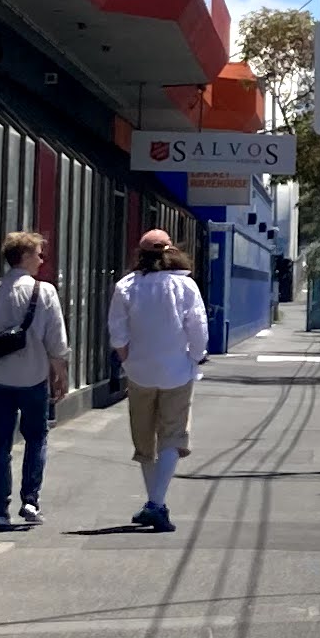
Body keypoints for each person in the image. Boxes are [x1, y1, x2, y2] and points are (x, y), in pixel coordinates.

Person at [109, 226, 210, 532]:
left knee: (145, 438)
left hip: (139, 372)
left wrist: (127, 359)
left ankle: (154, 502)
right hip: (177, 371)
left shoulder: (126, 285)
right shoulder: (185, 285)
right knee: (172, 435)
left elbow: (117, 331)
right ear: (171, 252)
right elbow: (198, 326)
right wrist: (195, 356)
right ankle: (155, 504)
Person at [0, 229, 68, 530]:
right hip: (34, 377)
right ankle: (30, 500)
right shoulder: (45, 291)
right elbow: (56, 340)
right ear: (24, 256)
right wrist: (60, 371)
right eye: (38, 254)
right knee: (36, 438)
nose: (41, 259)